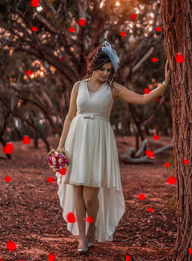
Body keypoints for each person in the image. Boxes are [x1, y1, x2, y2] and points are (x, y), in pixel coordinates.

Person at [54, 41, 171, 254]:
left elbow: (143, 99)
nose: (106, 74)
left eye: (109, 70)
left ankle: (93, 227)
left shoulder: (113, 89)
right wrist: (61, 147)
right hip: (77, 139)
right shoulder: (78, 87)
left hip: (98, 141)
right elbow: (70, 117)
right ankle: (82, 238)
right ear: (93, 67)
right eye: (103, 70)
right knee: (77, 189)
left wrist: (164, 84)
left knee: (91, 195)